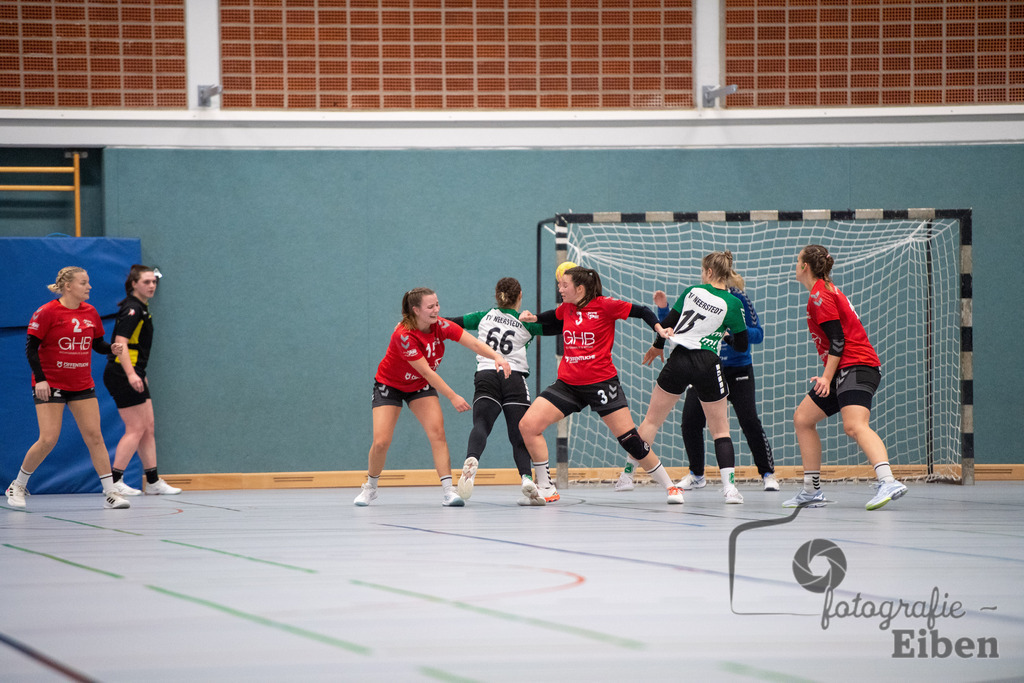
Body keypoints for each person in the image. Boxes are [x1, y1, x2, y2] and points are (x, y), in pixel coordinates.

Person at [517, 266, 683, 505]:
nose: (559, 289)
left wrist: (658, 328)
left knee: (630, 440)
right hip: (568, 384)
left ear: (580, 288)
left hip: (601, 383)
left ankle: (671, 487)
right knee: (528, 425)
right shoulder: (568, 309)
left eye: (564, 285)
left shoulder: (605, 305)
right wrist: (533, 318)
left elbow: (643, 311)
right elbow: (552, 318)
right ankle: (546, 487)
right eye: (559, 285)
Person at [615, 255, 778, 494]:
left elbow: (669, 325)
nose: (701, 275)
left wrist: (658, 345)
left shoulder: (693, 292)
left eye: (703, 271)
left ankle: (626, 476)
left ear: (709, 272)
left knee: (651, 421)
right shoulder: (731, 303)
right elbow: (742, 344)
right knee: (719, 429)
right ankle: (728, 488)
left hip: (686, 360)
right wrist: (727, 336)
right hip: (708, 364)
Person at [354, 287, 511, 507]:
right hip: (390, 385)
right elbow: (427, 371)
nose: (437, 309)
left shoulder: (442, 327)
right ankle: (370, 487)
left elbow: (473, 343)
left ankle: (448, 491)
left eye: (437, 304)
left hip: (419, 386)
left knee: (437, 433)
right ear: (415, 310)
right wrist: (453, 396)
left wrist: (497, 357)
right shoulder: (403, 336)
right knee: (381, 441)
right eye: (431, 306)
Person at [785, 245, 907, 510]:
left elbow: (838, 341)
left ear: (805, 266)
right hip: (844, 369)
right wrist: (831, 375)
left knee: (854, 425)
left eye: (797, 261)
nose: (795, 265)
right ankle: (811, 491)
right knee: (803, 419)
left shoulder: (820, 295)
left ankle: (888, 481)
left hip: (857, 366)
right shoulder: (824, 291)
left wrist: (826, 378)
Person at [6, 267, 130, 510]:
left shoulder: (90, 312)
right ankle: (18, 485)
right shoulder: (47, 312)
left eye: (89, 282)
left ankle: (111, 492)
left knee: (95, 437)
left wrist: (110, 349)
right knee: (48, 438)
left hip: (81, 384)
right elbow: (31, 348)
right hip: (50, 383)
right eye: (84, 282)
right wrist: (40, 379)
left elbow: (96, 343)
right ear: (68, 286)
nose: (89, 286)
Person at [446, 277, 560, 501]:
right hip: (514, 377)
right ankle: (527, 477)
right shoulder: (527, 322)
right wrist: (536, 318)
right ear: (519, 297)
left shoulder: (483, 316)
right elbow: (558, 325)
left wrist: (421, 321)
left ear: (497, 295)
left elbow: (451, 323)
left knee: (481, 424)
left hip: (487, 375)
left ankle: (472, 460)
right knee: (518, 434)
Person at [103, 265, 181, 497]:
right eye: (146, 282)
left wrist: (139, 372)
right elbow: (120, 343)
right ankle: (114, 481)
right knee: (136, 428)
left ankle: (154, 482)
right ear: (134, 284)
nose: (151, 286)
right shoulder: (132, 310)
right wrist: (130, 374)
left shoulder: (142, 309)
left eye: (153, 282)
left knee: (148, 428)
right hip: (120, 373)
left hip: (134, 371)